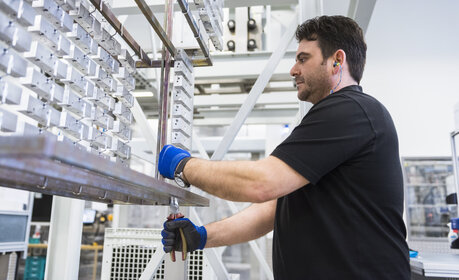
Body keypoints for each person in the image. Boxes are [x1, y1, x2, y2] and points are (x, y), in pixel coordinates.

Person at [158, 15, 410, 279]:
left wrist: (183, 166)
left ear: (337, 60)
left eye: (303, 59)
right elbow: (274, 208)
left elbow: (260, 183)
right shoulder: (340, 119)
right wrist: (200, 236)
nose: (293, 69)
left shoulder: (351, 111)